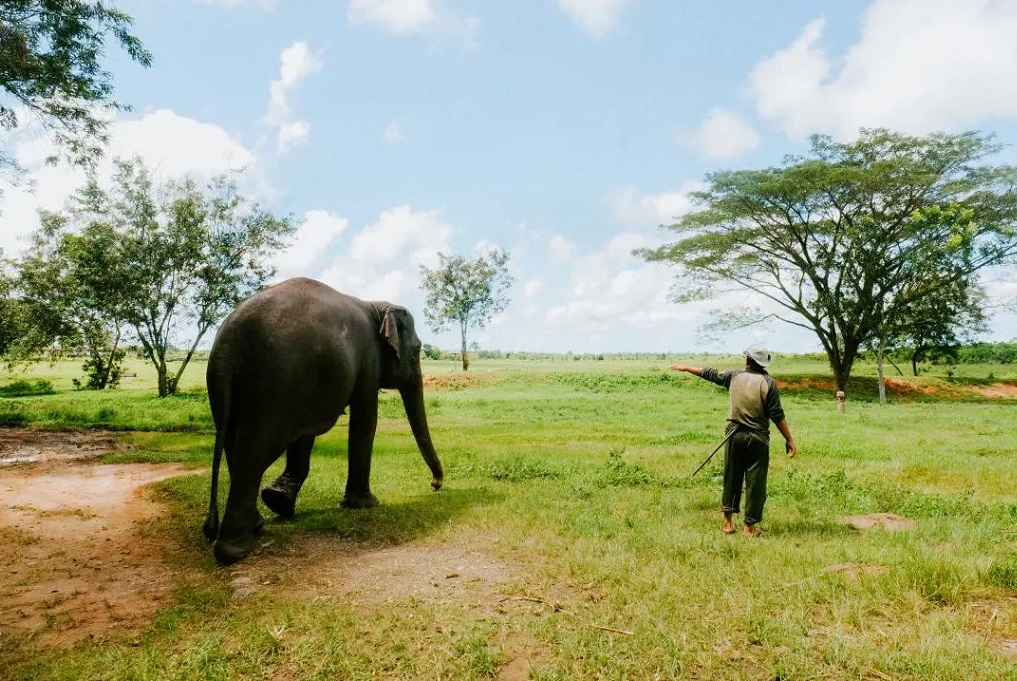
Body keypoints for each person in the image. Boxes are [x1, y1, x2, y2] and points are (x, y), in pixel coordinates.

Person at [670, 345, 797, 537]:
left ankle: (728, 524)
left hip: (733, 436)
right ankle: (749, 527)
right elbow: (777, 415)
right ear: (762, 363)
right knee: (756, 483)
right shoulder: (768, 383)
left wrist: (687, 367)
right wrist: (789, 439)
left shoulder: (733, 376)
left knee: (731, 477)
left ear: (748, 360)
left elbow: (710, 374)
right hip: (758, 439)